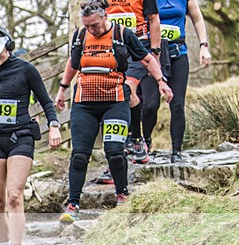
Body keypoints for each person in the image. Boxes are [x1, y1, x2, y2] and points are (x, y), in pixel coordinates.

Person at [55, 0, 173, 222]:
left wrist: (161, 82)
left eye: (95, 25)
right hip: (84, 104)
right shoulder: (80, 36)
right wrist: (62, 89)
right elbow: (72, 62)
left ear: (105, 17)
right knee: (79, 155)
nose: (92, 30)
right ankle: (73, 204)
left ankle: (122, 195)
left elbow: (147, 59)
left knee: (115, 151)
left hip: (115, 102)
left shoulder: (121, 34)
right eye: (87, 25)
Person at [0, 27, 62, 245]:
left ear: (8, 46)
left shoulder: (26, 70)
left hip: (21, 136)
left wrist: (54, 126)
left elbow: (45, 100)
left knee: (13, 195)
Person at [141, 0, 211, 162]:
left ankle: (176, 152)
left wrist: (203, 46)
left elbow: (198, 19)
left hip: (178, 54)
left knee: (178, 105)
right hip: (151, 56)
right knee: (150, 106)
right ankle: (145, 144)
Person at [106, 0, 162, 165]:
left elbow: (153, 19)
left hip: (137, 45)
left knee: (127, 89)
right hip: (111, 47)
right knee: (114, 95)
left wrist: (155, 52)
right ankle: (123, 141)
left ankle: (137, 139)